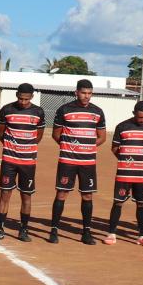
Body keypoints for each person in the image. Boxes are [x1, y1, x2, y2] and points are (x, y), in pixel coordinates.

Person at [49, 78, 105, 244]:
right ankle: (54, 230)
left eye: (89, 93)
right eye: (83, 93)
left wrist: (87, 146)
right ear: (76, 92)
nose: (86, 96)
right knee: (62, 193)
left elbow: (101, 137)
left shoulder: (98, 112)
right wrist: (69, 147)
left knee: (87, 196)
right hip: (68, 160)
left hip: (88, 162)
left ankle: (86, 232)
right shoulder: (64, 110)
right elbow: (56, 134)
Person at [0, 82, 45, 242]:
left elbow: (39, 136)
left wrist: (26, 148)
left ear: (32, 97)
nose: (23, 102)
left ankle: (23, 230)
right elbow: (0, 133)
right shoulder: (7, 110)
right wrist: (11, 147)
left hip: (28, 162)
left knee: (26, 196)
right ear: (17, 95)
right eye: (21, 98)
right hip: (9, 160)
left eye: (26, 99)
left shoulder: (38, 112)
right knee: (5, 194)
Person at [104, 101, 143, 246]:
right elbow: (115, 148)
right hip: (124, 173)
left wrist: (142, 160)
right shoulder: (122, 127)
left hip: (142, 173)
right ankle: (111, 233)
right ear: (134, 113)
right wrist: (125, 160)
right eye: (140, 117)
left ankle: (142, 236)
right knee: (118, 202)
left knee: (142, 204)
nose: (142, 120)